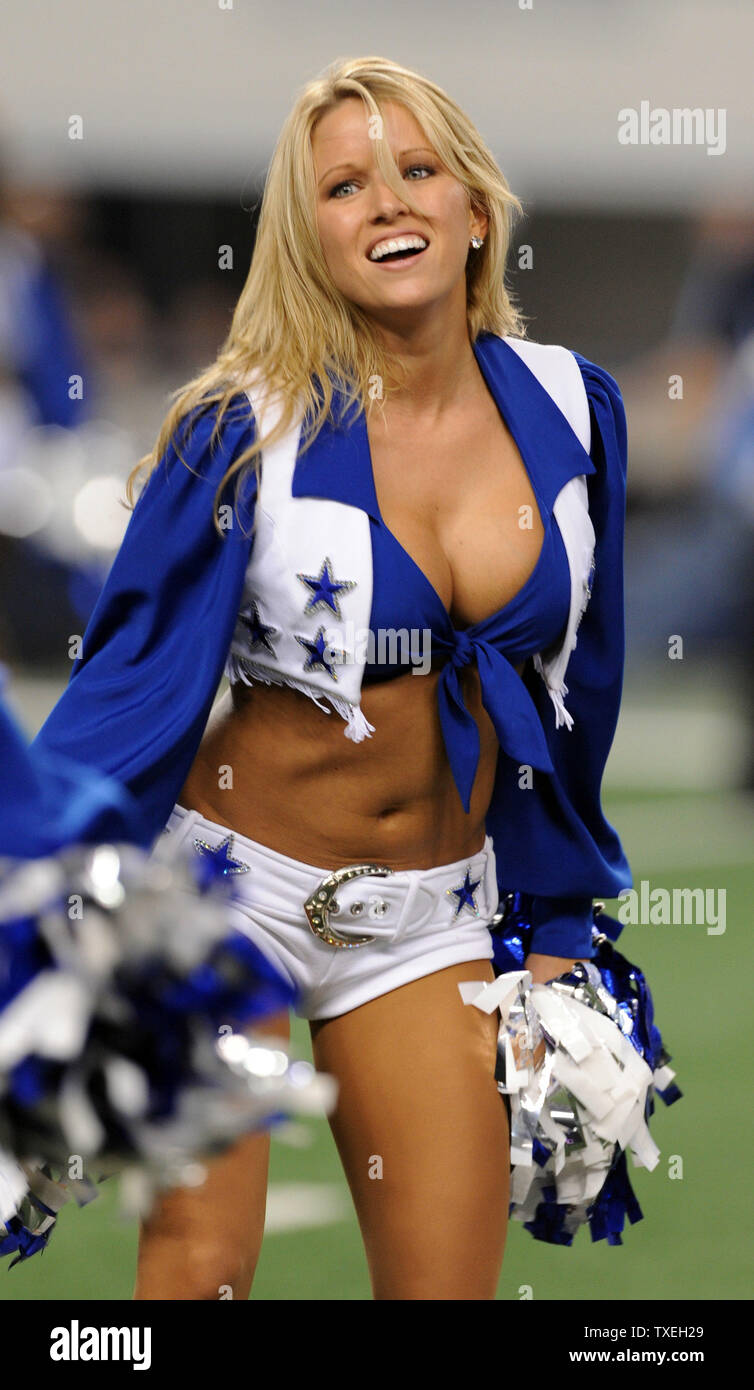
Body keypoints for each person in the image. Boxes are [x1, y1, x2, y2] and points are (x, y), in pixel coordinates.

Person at [30, 56, 632, 1300]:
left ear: (475, 207)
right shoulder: (243, 425)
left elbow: (588, 678)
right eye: (345, 186)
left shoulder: (577, 409)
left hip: (426, 917)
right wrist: (48, 911)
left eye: (418, 171)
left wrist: (562, 921)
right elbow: (131, 690)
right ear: (309, 236)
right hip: (218, 900)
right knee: (199, 1276)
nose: (389, 204)